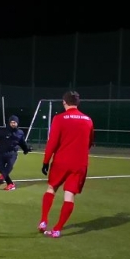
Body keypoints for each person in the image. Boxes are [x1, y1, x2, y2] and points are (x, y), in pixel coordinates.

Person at [39, 91, 94, 238]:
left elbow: (52, 142)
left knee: (51, 188)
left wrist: (46, 161)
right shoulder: (88, 120)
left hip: (61, 161)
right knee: (69, 196)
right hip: (79, 164)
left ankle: (43, 220)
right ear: (78, 103)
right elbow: (89, 142)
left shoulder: (59, 118)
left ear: (64, 102)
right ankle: (57, 229)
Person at [0, 114, 31, 190]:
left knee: (9, 165)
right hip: (1, 153)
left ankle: (4, 178)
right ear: (9, 123)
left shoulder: (20, 133)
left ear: (17, 123)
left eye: (15, 122)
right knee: (0, 168)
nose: (13, 124)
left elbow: (22, 142)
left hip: (12, 153)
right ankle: (10, 183)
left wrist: (26, 149)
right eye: (12, 122)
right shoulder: (2, 131)